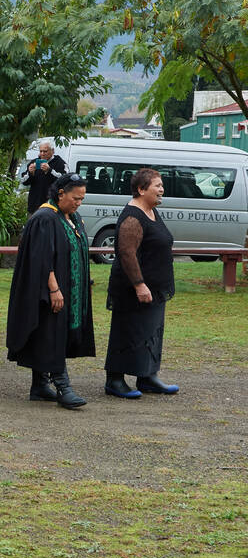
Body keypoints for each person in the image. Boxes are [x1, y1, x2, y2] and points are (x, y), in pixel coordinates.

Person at [7, 173, 95, 410]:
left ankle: (39, 385)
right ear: (60, 194)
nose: (78, 203)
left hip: (69, 290)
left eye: (82, 199)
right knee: (51, 335)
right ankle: (63, 387)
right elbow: (41, 258)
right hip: (49, 291)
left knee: (50, 335)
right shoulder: (45, 218)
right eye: (75, 198)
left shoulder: (71, 218)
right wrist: (54, 288)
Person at [104, 168, 179, 398]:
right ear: (141, 189)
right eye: (157, 186)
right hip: (132, 288)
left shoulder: (151, 211)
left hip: (155, 287)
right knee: (128, 331)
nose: (162, 190)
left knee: (151, 331)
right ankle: (115, 380)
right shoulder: (132, 217)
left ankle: (147, 376)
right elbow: (127, 253)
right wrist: (139, 284)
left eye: (161, 185)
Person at [20, 141, 67, 215]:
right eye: (41, 151)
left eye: (45, 151)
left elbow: (65, 180)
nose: (42, 154)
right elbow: (23, 181)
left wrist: (50, 170)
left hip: (53, 206)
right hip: (35, 206)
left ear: (52, 151)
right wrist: (30, 173)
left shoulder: (60, 163)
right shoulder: (34, 162)